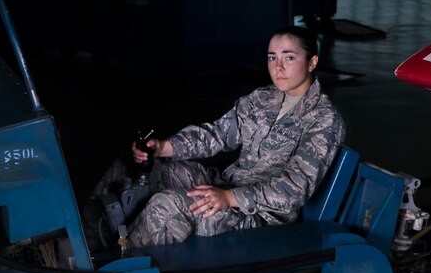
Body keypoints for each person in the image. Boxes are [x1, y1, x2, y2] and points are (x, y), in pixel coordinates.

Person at [87, 25, 346, 248]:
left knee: (167, 206)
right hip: (228, 186)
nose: (278, 67)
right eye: (272, 57)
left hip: (260, 216)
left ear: (312, 62)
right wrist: (164, 147)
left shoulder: (324, 120)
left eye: (289, 57)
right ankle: (87, 241)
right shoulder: (263, 98)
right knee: (141, 168)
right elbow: (218, 134)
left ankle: (114, 272)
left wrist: (230, 198)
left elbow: (294, 189)